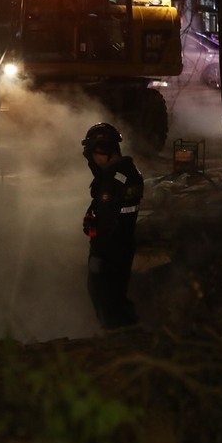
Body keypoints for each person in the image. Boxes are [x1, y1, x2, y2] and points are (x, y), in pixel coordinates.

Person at [81, 122, 143, 330]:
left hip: (109, 251)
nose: (92, 160)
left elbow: (106, 223)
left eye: (93, 153)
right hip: (124, 245)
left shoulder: (111, 181)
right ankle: (126, 333)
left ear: (102, 149)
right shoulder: (130, 172)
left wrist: (97, 255)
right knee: (116, 295)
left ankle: (122, 339)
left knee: (104, 297)